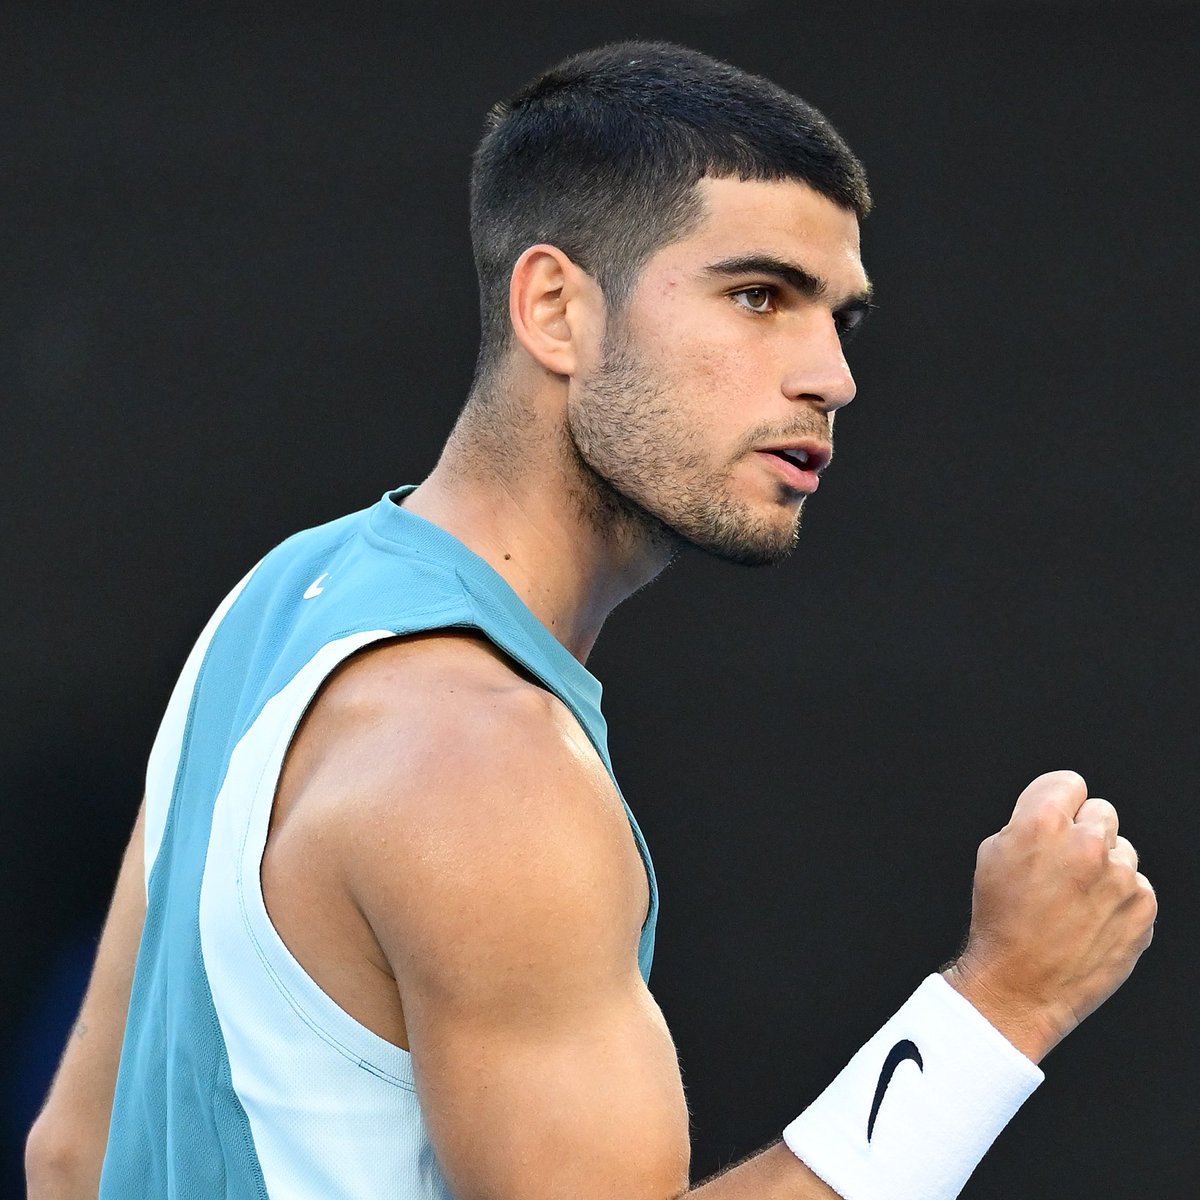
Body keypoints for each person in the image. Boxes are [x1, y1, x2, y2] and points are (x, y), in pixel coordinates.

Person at [26, 41, 1156, 1200]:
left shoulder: (277, 598)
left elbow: (72, 1159)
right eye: (759, 296)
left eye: (840, 320)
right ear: (556, 309)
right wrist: (1003, 1005)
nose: (831, 376)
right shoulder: (487, 766)